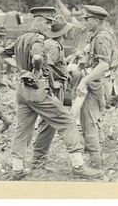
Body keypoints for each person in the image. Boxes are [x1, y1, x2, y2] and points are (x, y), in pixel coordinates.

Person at [1, 6, 102, 180]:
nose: (49, 27)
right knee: (67, 121)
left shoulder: (21, 39)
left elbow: (3, 54)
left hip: (23, 91)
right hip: (38, 90)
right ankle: (78, 165)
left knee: (22, 130)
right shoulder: (39, 40)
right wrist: (36, 70)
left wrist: (22, 70)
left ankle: (17, 169)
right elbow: (38, 58)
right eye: (47, 22)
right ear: (38, 20)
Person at [76, 5, 117, 169]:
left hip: (96, 84)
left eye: (87, 19)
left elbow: (103, 65)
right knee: (88, 122)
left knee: (90, 123)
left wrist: (84, 80)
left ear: (96, 20)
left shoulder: (102, 38)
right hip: (95, 82)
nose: (85, 22)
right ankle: (95, 158)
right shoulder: (96, 36)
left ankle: (95, 164)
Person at [32, 18, 74, 167]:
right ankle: (38, 160)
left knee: (50, 124)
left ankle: (40, 159)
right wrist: (52, 83)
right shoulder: (54, 46)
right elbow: (46, 65)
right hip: (54, 89)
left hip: (57, 87)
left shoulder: (55, 45)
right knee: (49, 125)